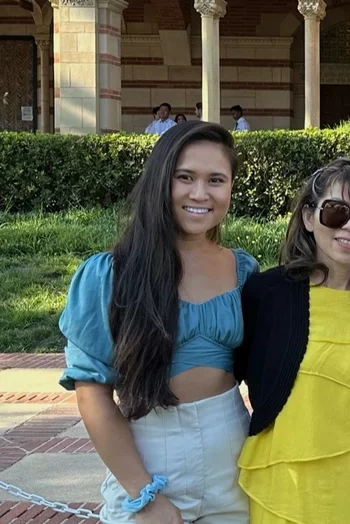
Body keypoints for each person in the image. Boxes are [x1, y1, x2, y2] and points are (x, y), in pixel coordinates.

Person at [58, 121, 259, 523]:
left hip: (235, 458)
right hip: (150, 457)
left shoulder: (245, 271)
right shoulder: (110, 274)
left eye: (216, 180)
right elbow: (91, 392)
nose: (200, 194)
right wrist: (143, 495)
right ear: (160, 181)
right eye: (184, 177)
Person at [235, 158, 350, 524]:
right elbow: (226, 377)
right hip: (288, 493)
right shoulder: (266, 293)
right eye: (336, 211)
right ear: (309, 217)